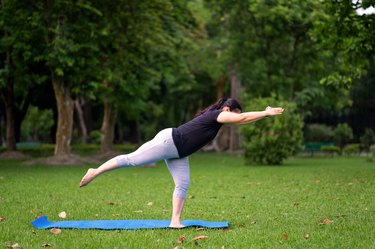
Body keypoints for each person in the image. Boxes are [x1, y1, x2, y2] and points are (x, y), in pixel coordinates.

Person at [80, 98, 284, 228]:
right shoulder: (217, 114)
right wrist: (265, 113)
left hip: (179, 152)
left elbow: (244, 120)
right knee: (132, 160)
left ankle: (175, 221)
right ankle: (95, 171)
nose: (235, 118)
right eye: (234, 113)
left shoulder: (219, 117)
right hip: (169, 142)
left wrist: (264, 115)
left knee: (183, 184)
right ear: (228, 109)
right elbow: (241, 119)